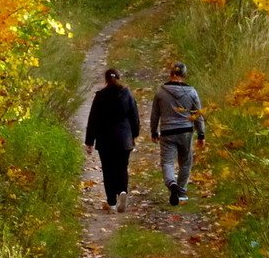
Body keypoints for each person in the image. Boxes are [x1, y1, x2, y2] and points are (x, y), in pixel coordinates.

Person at [85, 68, 140, 212]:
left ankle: (112, 201)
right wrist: (134, 134)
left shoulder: (100, 96)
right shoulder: (127, 94)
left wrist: (89, 141)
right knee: (122, 167)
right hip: (124, 139)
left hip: (105, 140)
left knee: (108, 170)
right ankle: (122, 191)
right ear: (119, 78)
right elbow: (134, 117)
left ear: (106, 80)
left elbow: (93, 120)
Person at [150, 62, 205, 205]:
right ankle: (181, 192)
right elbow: (197, 114)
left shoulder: (161, 91)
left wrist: (154, 131)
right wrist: (201, 134)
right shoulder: (192, 92)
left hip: (168, 132)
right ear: (184, 75)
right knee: (186, 162)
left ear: (171, 74)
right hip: (186, 131)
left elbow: (155, 114)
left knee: (167, 162)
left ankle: (172, 184)